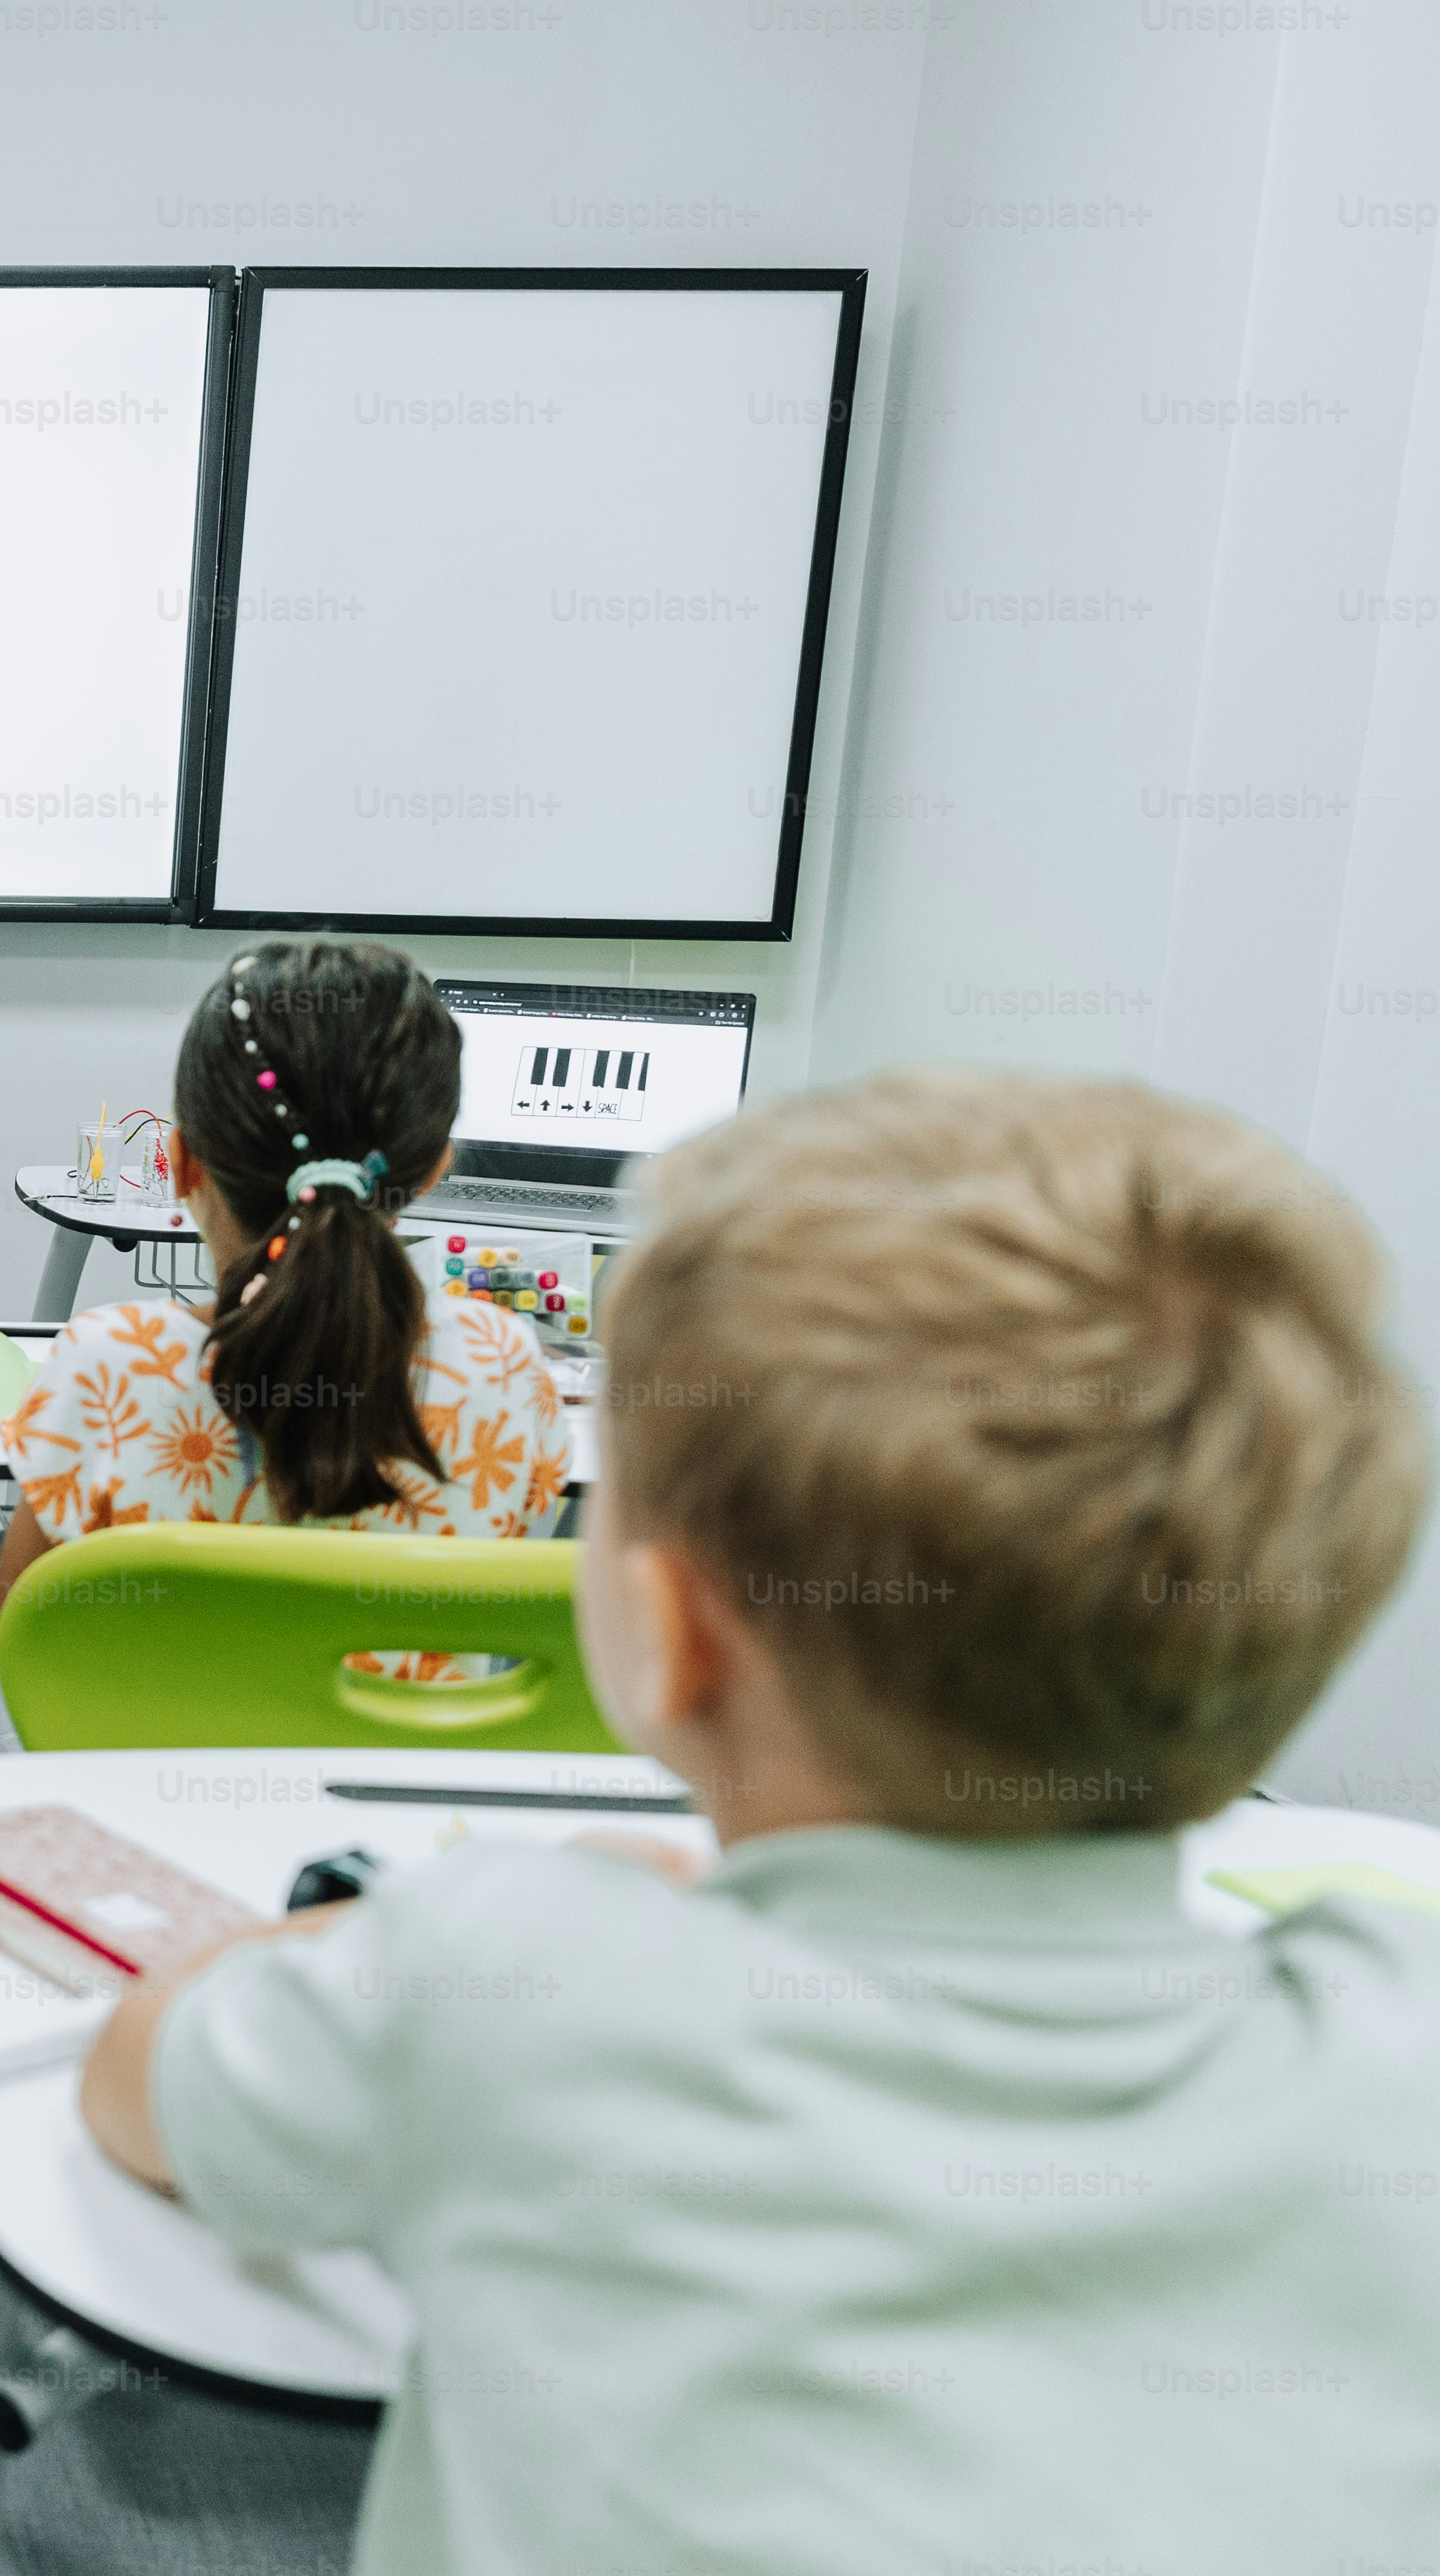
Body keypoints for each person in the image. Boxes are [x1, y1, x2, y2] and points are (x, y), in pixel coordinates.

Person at [76, 1069, 1440, 2571]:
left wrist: (375, 1933)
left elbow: (142, 2075)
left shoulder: (507, 1976)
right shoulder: (1398, 2035)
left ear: (667, 1634)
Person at [0, 940, 572, 1656]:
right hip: (405, 1735)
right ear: (432, 1171)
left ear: (181, 1163)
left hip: (146, 1734)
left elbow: (22, 1638)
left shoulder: (104, 1366)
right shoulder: (505, 1365)